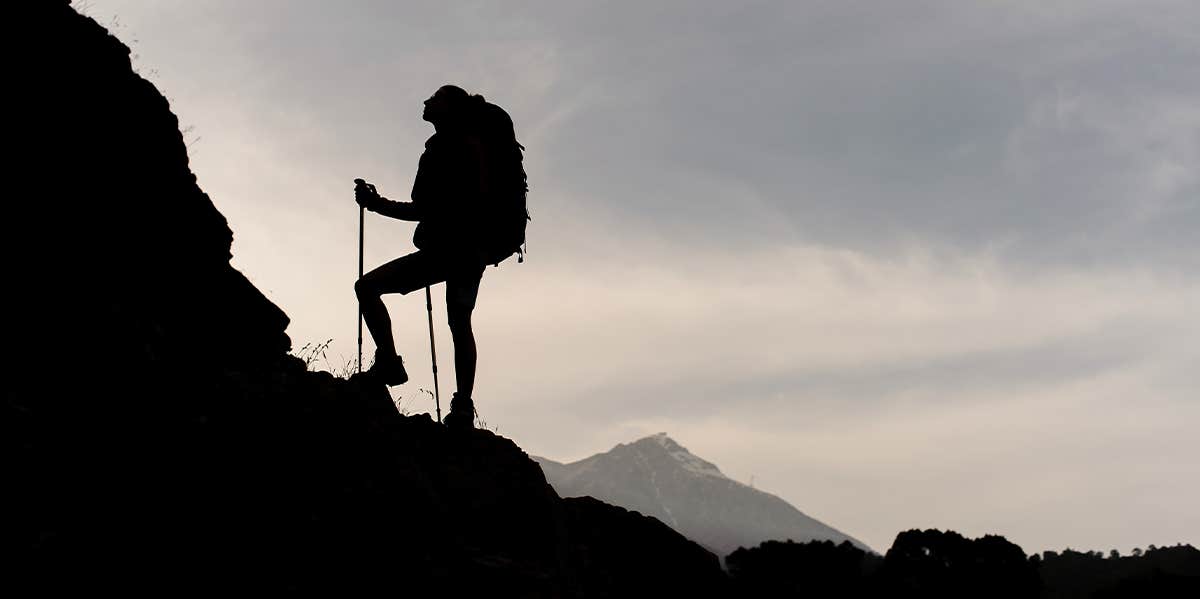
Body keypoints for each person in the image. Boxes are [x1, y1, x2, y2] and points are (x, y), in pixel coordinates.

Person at [354, 84, 517, 430]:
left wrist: (376, 204)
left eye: (436, 97)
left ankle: (388, 363)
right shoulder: (474, 146)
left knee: (367, 288)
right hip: (473, 251)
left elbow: (423, 208)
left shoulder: (445, 148)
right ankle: (462, 406)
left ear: (449, 108)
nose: (427, 101)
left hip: (446, 251)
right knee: (460, 322)